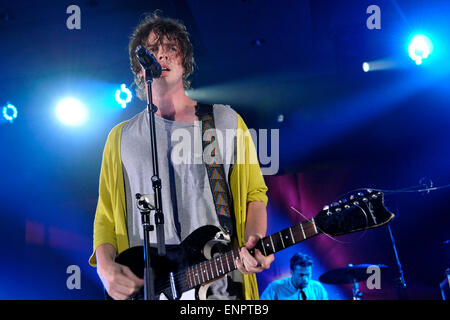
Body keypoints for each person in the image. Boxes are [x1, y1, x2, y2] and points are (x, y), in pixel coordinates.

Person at [88, 12, 274, 300]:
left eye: (170, 48)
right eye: (152, 50)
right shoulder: (120, 137)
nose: (161, 55)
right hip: (149, 285)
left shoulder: (223, 121)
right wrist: (105, 266)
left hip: (219, 281)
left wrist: (255, 243)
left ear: (184, 61)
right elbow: (106, 216)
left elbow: (255, 195)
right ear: (140, 68)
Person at [260, 252, 328, 300]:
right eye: (301, 275)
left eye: (308, 275)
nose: (305, 279)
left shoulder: (318, 288)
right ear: (291, 272)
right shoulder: (274, 288)